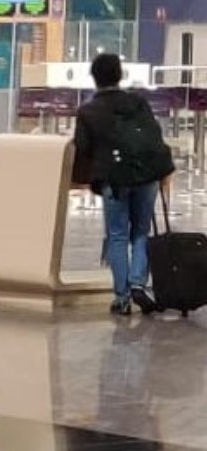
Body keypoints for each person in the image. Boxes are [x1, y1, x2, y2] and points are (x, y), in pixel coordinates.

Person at [72, 52, 174, 316]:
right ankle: (139, 283)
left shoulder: (88, 111)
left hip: (114, 179)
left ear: (94, 78)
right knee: (141, 231)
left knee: (117, 235)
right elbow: (154, 134)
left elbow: (82, 147)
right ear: (120, 75)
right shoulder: (138, 102)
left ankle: (122, 297)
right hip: (146, 175)